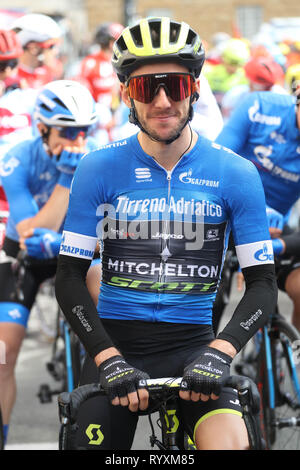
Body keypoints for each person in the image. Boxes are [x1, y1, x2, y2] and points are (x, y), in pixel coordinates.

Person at [55, 17, 277, 450]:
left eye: (173, 86)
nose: (161, 102)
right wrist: (107, 359)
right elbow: (69, 277)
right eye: (145, 88)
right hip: (114, 349)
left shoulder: (235, 172)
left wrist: (221, 351)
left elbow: (263, 285)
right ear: (125, 95)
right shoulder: (98, 167)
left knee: (231, 445)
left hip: (196, 349)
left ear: (194, 88)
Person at [0, 79, 99, 447]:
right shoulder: (16, 158)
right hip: (23, 255)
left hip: (73, 249)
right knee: (3, 353)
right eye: (67, 131)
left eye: (83, 131)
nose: (76, 141)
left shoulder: (96, 157)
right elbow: (29, 228)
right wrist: (65, 178)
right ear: (41, 128)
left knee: (102, 288)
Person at [216, 83, 300, 330]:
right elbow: (217, 164)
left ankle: (295, 358)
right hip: (229, 212)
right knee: (210, 293)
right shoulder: (260, 107)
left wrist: (275, 245)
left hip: (274, 229)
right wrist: (254, 208)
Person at [222, 55, 287, 121]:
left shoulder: (282, 97)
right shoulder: (235, 95)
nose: (264, 89)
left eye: (268, 86)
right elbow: (227, 123)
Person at [10, 13, 63, 89]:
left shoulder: (47, 74)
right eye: (52, 46)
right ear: (33, 48)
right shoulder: (10, 81)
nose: (56, 51)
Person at [204, 38, 250, 109]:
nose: (235, 67)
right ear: (223, 59)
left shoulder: (245, 77)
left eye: (239, 64)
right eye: (232, 63)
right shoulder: (210, 72)